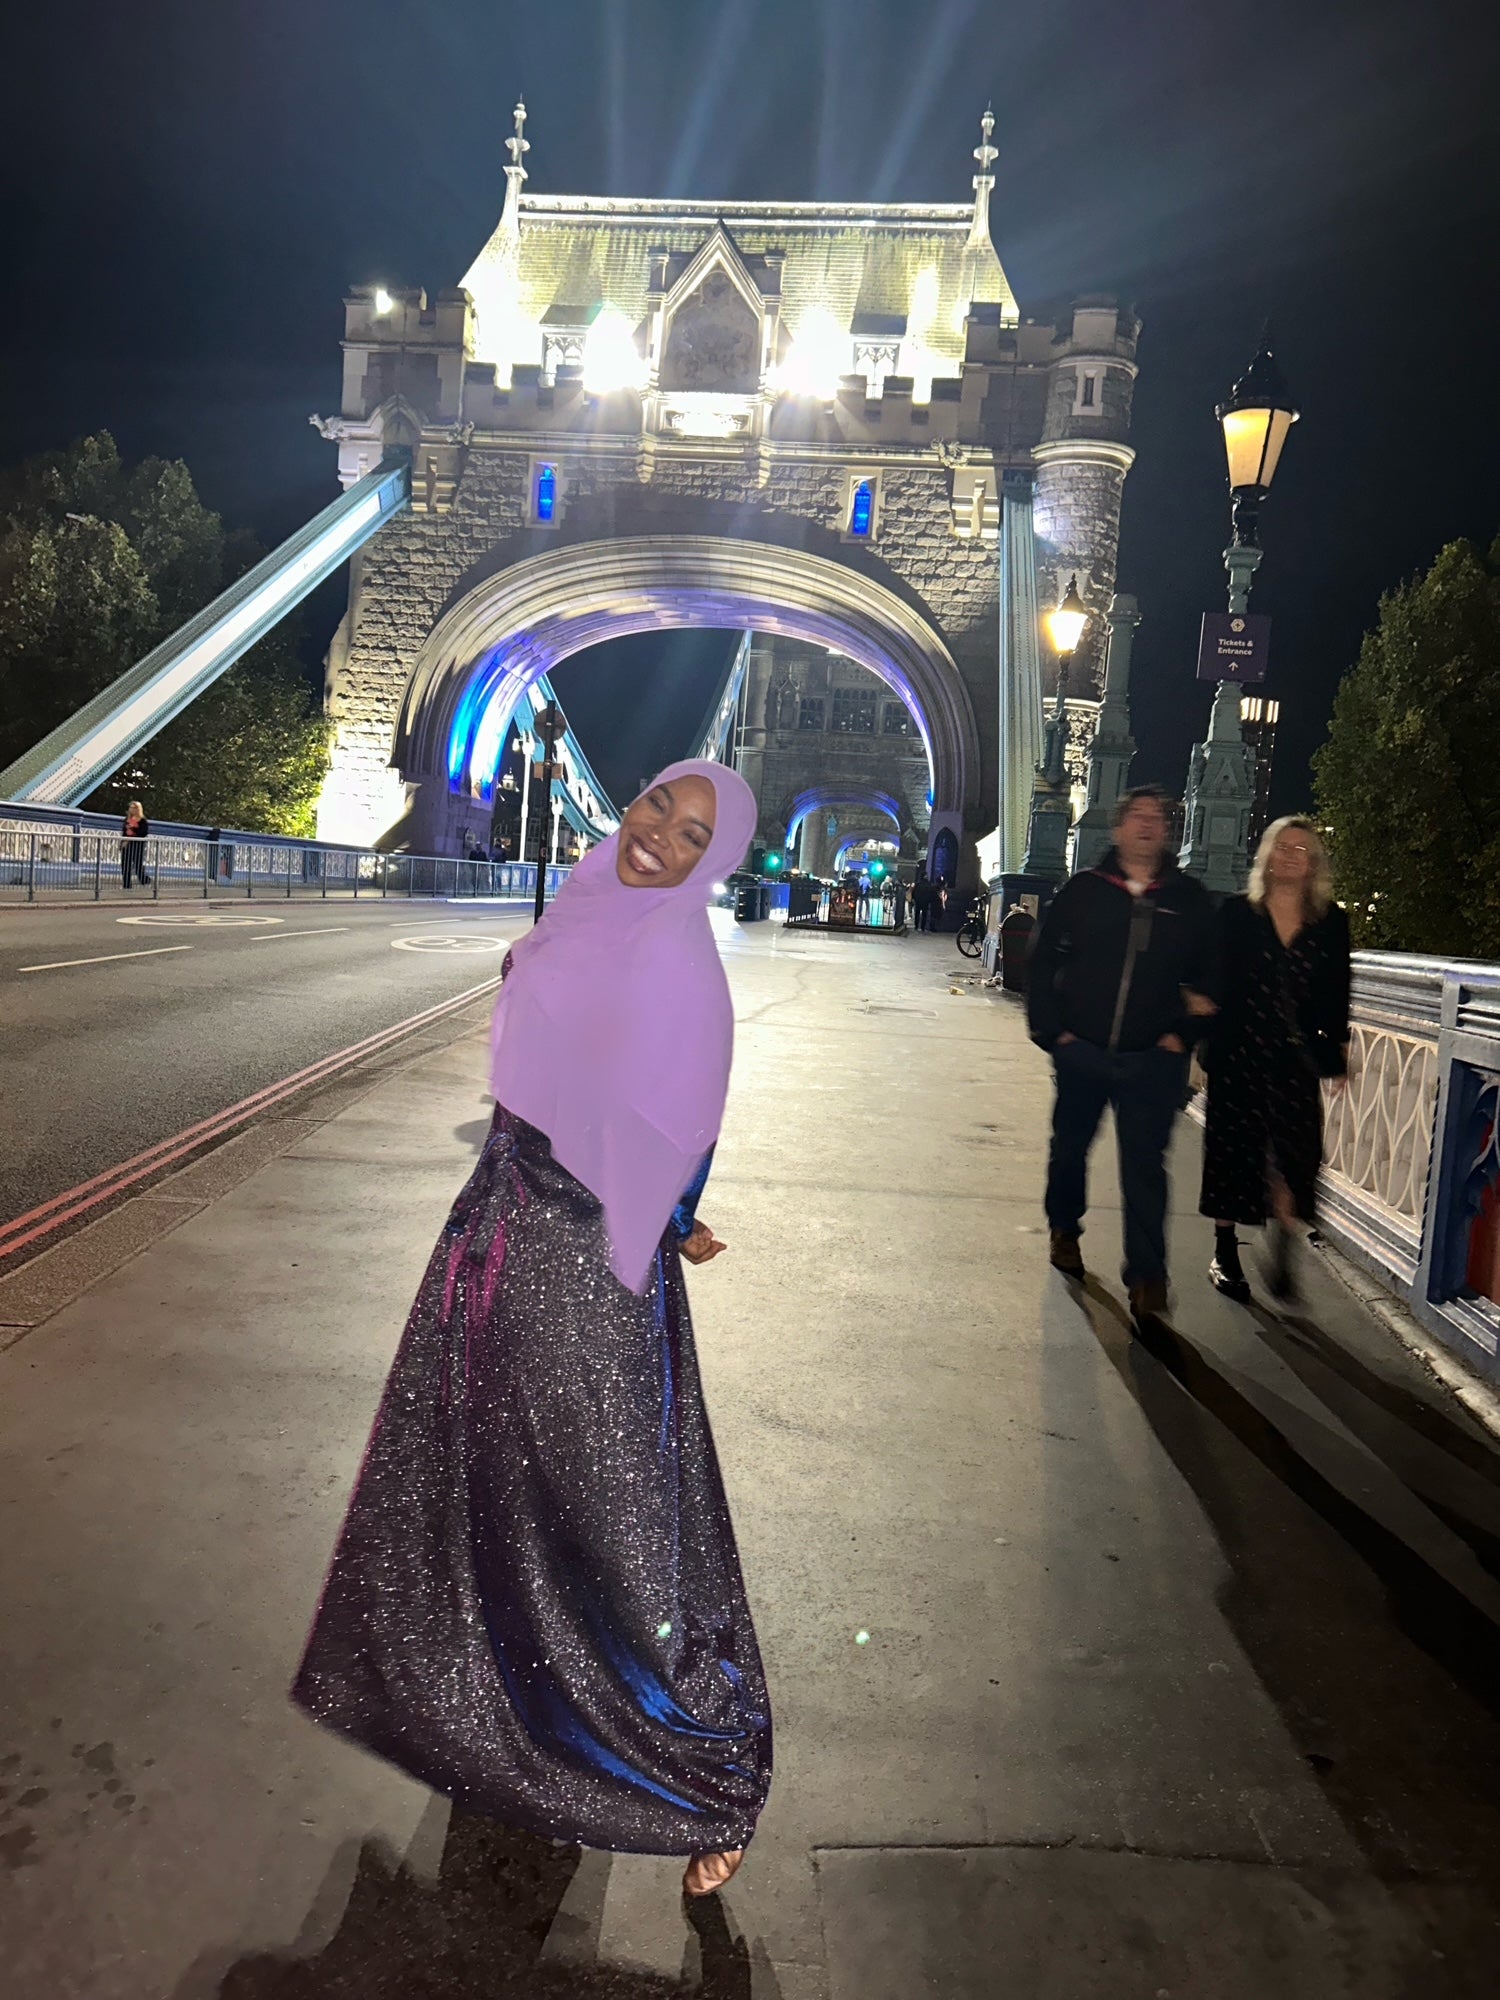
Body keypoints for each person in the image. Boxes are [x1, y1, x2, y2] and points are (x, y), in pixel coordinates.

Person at [293, 760, 771, 1902]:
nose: (659, 834)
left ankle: (711, 1775)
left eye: (694, 834)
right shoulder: (591, 913)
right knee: (491, 1500)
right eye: (657, 805)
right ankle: (508, 1719)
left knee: (612, 1528)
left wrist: (672, 1213)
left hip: (580, 1277)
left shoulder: (676, 962)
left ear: (714, 863)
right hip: (493, 1247)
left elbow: (680, 1118)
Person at [1026, 785, 1217, 1319]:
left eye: (1157, 816)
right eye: (1137, 815)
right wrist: (1054, 1036)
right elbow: (1041, 963)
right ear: (1117, 827)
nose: (1147, 824)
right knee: (1070, 1150)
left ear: (1168, 830)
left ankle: (1148, 1279)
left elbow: (1213, 975)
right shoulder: (1085, 890)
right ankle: (1065, 1229)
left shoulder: (1189, 900)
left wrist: (1181, 1037)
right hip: (1082, 1050)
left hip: (1152, 1059)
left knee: (1146, 1170)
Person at [1201, 815, 1351, 1303]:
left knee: (1296, 1152)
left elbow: (1337, 989)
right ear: (1266, 856)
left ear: (1313, 864)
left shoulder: (1331, 922)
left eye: (1300, 850)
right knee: (1231, 1150)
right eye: (1282, 847)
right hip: (1238, 1049)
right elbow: (1216, 981)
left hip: (1294, 1056)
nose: (1290, 856)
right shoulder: (1235, 914)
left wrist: (1338, 1048)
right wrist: (1202, 1044)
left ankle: (1284, 1234)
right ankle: (1225, 1251)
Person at [120, 801, 150, 888]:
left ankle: (145, 880)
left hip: (137, 846)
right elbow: (124, 832)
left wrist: (132, 837)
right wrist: (122, 843)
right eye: (130, 807)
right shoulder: (127, 820)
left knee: (138, 865)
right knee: (125, 865)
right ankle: (126, 885)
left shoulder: (142, 821)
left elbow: (143, 833)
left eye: (133, 808)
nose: (131, 809)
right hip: (126, 846)